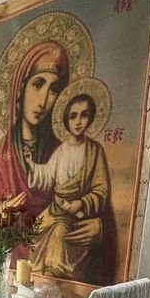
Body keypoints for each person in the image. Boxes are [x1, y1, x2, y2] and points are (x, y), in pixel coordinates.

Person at [0, 41, 102, 266]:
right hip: (12, 276)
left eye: (54, 90)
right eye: (38, 85)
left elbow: (88, 200)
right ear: (20, 89)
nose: (44, 100)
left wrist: (99, 228)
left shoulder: (66, 152)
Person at [25, 92, 112, 281]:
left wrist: (81, 203)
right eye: (73, 116)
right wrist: (32, 165)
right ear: (66, 119)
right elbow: (48, 174)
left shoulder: (94, 151)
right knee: (31, 234)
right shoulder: (62, 149)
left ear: (91, 118)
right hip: (56, 208)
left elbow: (101, 189)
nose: (78, 121)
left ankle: (51, 281)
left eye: (84, 115)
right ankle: (38, 279)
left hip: (74, 214)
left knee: (59, 235)